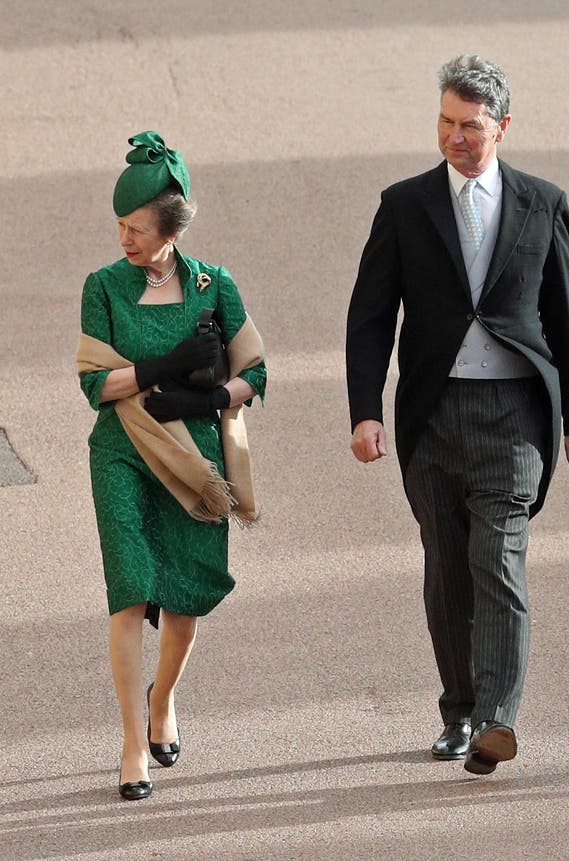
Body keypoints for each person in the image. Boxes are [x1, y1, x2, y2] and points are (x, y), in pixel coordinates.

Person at [346, 55, 569, 775]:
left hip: (515, 414)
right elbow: (369, 316)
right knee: (447, 570)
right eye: (446, 123)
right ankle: (457, 712)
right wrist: (366, 411)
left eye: (472, 127)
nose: (456, 137)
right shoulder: (403, 205)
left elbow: (564, 315)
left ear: (503, 128)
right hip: (433, 415)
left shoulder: (542, 203)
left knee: (501, 562)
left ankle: (496, 718)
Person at [77, 131, 266, 800]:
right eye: (119, 226)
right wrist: (163, 366)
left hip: (194, 461)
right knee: (131, 590)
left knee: (184, 602)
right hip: (123, 453)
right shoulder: (102, 287)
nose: (124, 237)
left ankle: (163, 702)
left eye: (136, 226)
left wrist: (212, 394)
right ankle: (133, 744)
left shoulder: (216, 286)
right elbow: (95, 384)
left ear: (169, 226)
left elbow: (258, 371)